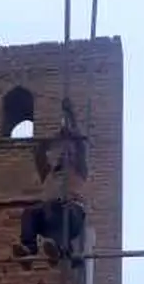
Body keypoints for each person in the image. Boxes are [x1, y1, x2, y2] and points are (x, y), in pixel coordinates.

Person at [11, 101, 88, 267]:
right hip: (50, 215)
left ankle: (60, 249)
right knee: (30, 212)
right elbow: (39, 154)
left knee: (61, 209)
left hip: (72, 215)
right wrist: (53, 138)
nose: (65, 155)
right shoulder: (49, 173)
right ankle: (28, 250)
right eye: (62, 153)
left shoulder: (78, 169)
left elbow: (80, 144)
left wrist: (71, 116)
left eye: (69, 153)